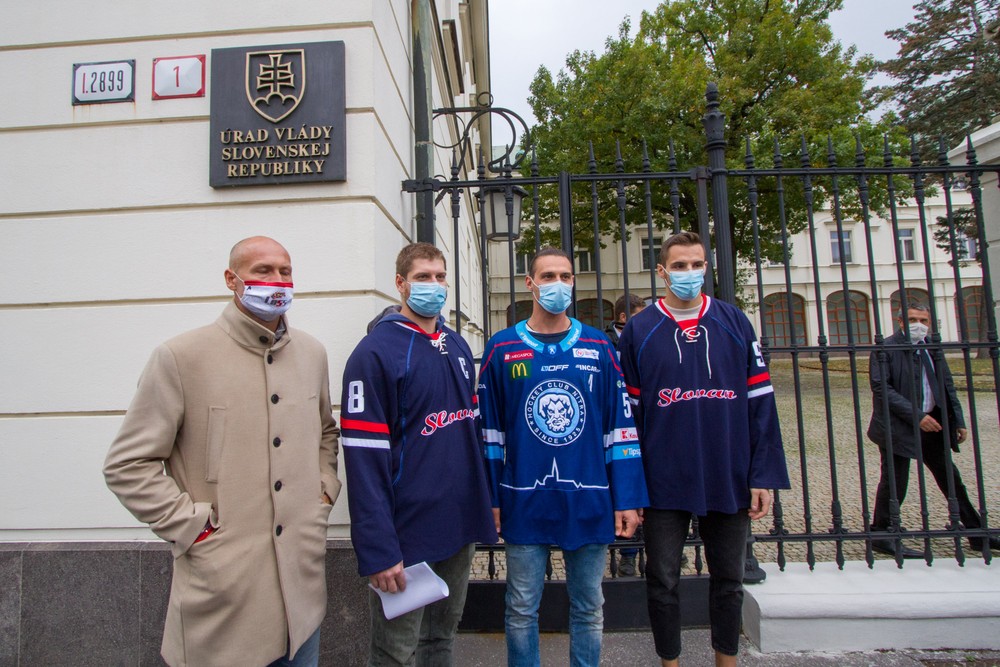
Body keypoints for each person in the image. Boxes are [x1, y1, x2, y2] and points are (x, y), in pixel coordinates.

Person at [104, 236, 340, 667]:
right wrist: (192, 526)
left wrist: (323, 491)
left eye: (285, 271)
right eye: (263, 270)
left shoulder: (312, 353)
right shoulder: (180, 356)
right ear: (232, 280)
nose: (277, 280)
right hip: (224, 596)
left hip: (302, 597)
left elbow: (326, 431)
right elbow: (126, 464)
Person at [618, 231, 790, 667]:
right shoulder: (639, 329)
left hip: (727, 471)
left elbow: (760, 403)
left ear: (707, 267)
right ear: (661, 272)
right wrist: (631, 488)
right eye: (679, 266)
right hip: (662, 478)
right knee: (662, 580)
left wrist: (762, 475)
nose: (689, 274)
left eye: (696, 265)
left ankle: (725, 660)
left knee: (729, 579)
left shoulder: (735, 322)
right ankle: (669, 662)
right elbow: (628, 415)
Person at [478, 247, 649, 667]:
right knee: (520, 608)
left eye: (566, 276)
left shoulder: (599, 346)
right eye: (549, 275)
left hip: (588, 496)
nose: (559, 283)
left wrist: (626, 497)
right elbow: (489, 434)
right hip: (523, 497)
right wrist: (492, 500)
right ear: (530, 283)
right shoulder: (501, 349)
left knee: (589, 607)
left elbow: (621, 427)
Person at [340, 242, 497, 666]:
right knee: (396, 651)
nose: (434, 285)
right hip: (406, 533)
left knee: (441, 640)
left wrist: (486, 506)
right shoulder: (374, 353)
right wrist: (379, 548)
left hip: (458, 523)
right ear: (400, 284)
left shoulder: (458, 346)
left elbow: (472, 437)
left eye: (440, 276)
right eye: (423, 277)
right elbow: (363, 459)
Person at [868, 303, 999, 557]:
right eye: (913, 319)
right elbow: (882, 389)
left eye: (924, 320)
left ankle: (975, 532)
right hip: (898, 426)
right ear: (901, 321)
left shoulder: (931, 347)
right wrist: (917, 416)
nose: (919, 324)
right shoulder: (886, 348)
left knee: (950, 478)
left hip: (934, 425)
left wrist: (958, 420)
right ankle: (881, 533)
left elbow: (946, 385)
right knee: (895, 481)